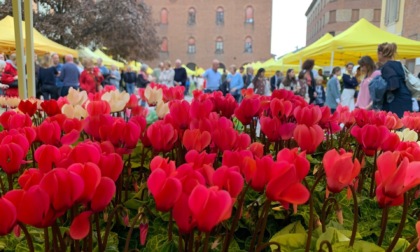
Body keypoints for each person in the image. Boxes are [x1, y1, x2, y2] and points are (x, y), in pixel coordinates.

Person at [378, 42, 412, 118]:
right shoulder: (398, 64)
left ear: (380, 53)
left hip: (397, 101)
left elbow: (394, 84)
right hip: (405, 97)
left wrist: (381, 89)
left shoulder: (387, 66)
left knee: (396, 126)